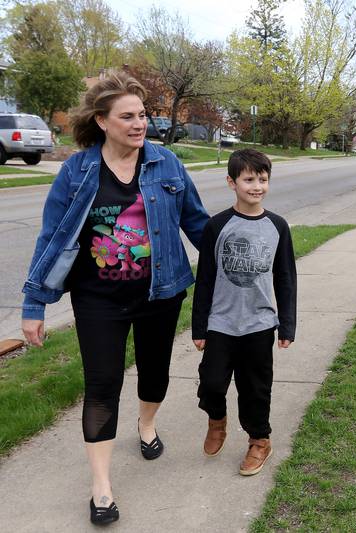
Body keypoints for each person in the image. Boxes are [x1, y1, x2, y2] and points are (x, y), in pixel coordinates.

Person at [20, 71, 209, 525]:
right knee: (102, 386)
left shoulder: (166, 164)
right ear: (102, 121)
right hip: (97, 300)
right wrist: (33, 305)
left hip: (160, 294)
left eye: (143, 115)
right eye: (128, 116)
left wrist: (237, 264)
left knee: (155, 374)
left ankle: (146, 425)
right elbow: (51, 236)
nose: (139, 123)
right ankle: (101, 487)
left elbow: (198, 224)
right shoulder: (78, 169)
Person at [191, 148, 297, 477]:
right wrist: (199, 326)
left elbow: (285, 278)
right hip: (221, 322)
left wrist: (287, 325)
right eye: (248, 179)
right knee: (211, 383)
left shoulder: (278, 226)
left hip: (259, 323)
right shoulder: (217, 226)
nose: (256, 186)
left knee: (255, 388)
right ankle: (217, 421)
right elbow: (205, 278)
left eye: (263, 180)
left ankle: (259, 441)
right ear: (231, 182)